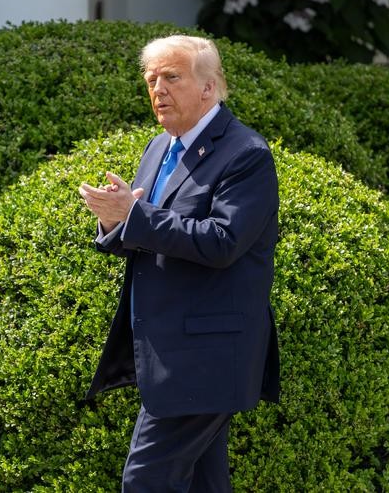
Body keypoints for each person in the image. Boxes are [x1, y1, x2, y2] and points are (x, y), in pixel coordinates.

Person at [78, 34, 280, 492]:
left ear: (209, 87)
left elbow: (223, 242)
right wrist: (113, 222)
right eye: (151, 79)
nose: (158, 89)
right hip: (171, 353)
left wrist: (134, 215)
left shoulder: (246, 154)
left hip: (207, 357)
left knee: (146, 481)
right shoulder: (158, 147)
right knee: (205, 484)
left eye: (171, 77)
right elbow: (146, 234)